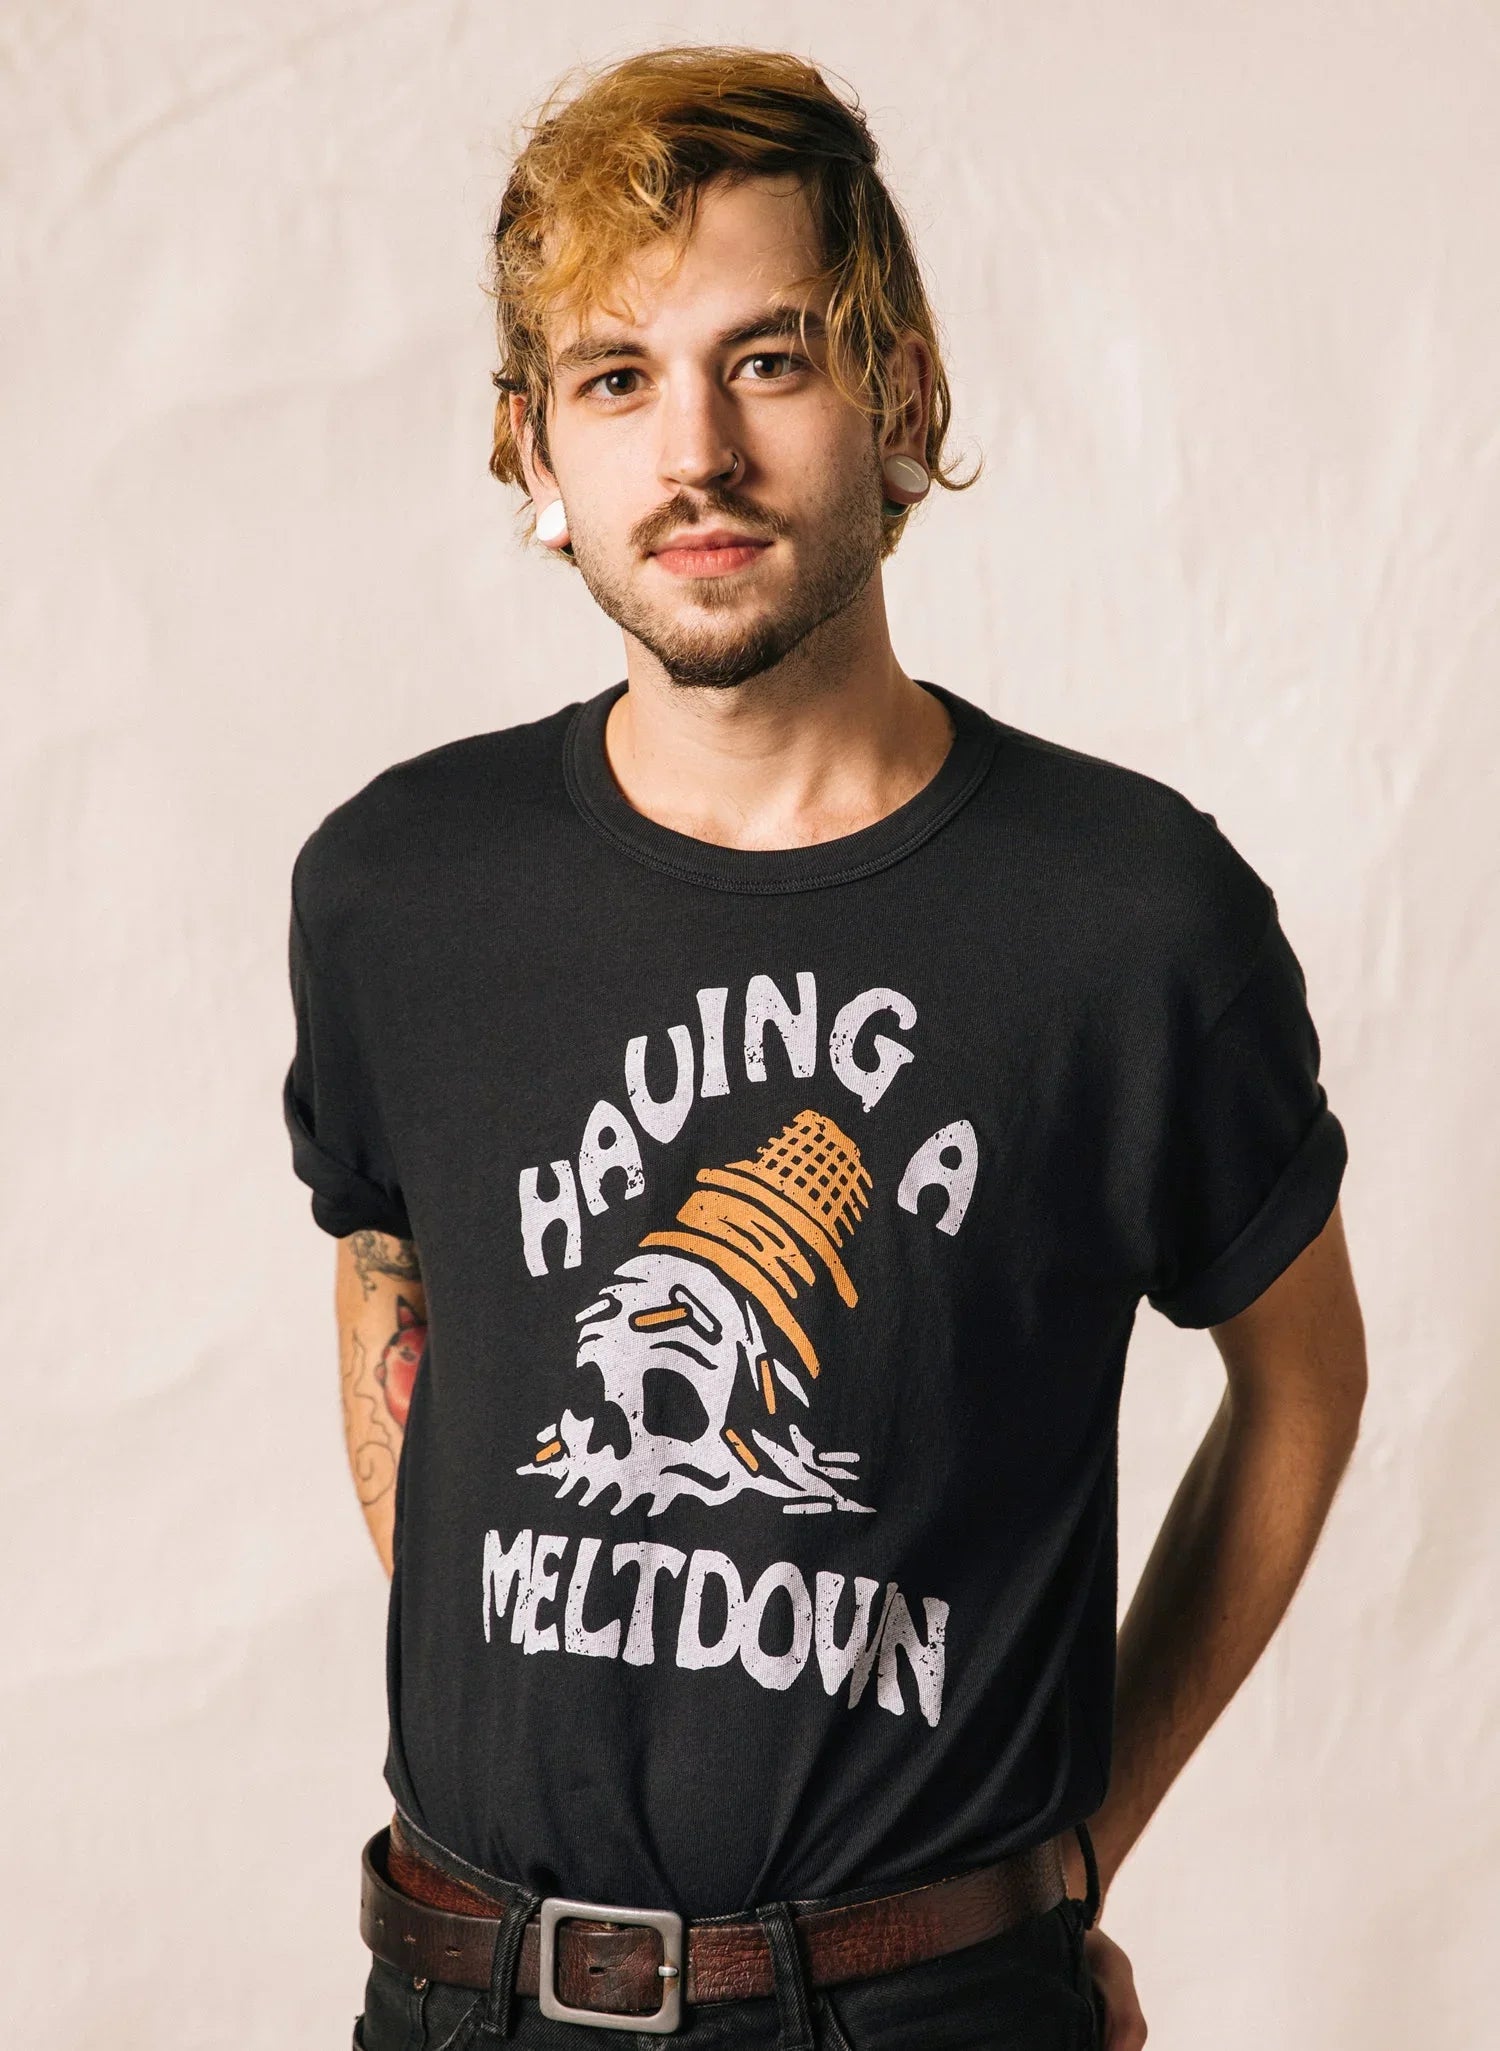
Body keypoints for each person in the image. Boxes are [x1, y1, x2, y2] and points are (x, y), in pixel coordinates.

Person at [282, 44, 1366, 2051]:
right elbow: (389, 1276)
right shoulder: (394, 893)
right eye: (614, 379)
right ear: (531, 455)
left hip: (925, 2008)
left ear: (902, 397)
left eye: (768, 360)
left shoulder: (1128, 917)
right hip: (459, 1998)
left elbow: (1301, 1386)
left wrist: (1069, 1858)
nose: (692, 449)